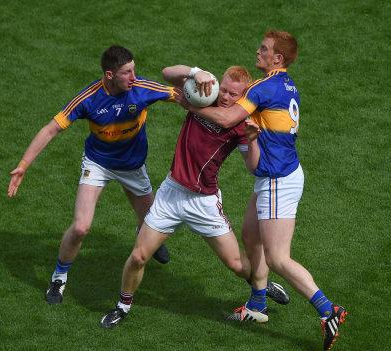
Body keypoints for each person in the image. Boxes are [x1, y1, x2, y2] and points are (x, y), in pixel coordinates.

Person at [173, 31, 348, 350]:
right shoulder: (286, 84)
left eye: (264, 49)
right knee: (251, 236)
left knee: (279, 258)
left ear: (277, 58)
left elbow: (226, 118)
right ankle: (257, 305)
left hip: (278, 181)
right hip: (277, 175)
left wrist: (191, 105)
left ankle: (329, 311)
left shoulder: (263, 87)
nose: (258, 51)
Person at [99, 65, 289, 329]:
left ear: (243, 97)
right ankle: (123, 306)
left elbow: (254, 167)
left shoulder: (240, 125)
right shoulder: (205, 94)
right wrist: (195, 72)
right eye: (223, 89)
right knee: (139, 256)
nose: (224, 97)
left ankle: (261, 283)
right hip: (171, 194)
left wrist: (253, 139)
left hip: (204, 202)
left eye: (233, 94)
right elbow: (167, 73)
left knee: (235, 264)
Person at [7, 45, 173, 305]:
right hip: (98, 163)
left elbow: (184, 97)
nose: (133, 76)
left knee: (153, 225)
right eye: (126, 72)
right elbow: (51, 129)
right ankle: (59, 277)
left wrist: (207, 89)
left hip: (132, 166)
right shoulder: (89, 98)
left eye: (134, 69)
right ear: (109, 75)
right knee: (81, 227)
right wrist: (24, 165)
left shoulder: (142, 89)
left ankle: (145, 232)